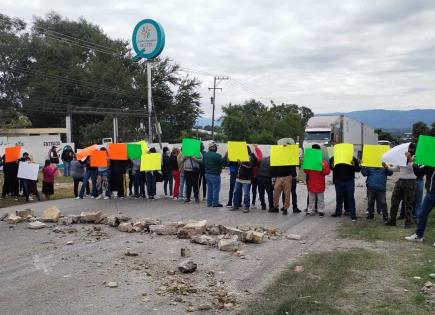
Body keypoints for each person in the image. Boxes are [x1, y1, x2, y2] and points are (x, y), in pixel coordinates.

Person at [385, 144, 418, 228]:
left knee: (408, 203)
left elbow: (414, 168)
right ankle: (392, 220)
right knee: (394, 201)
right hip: (400, 181)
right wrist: (387, 167)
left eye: (411, 148)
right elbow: (396, 168)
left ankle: (407, 223)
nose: (409, 150)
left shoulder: (416, 157)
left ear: (414, 149)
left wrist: (410, 158)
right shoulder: (402, 158)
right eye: (409, 148)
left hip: (410, 182)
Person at [405, 166, 435, 243]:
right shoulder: (430, 163)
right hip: (430, 194)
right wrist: (415, 166)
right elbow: (419, 173)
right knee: (422, 214)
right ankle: (419, 235)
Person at [330, 154, 361, 221]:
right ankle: (338, 212)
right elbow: (331, 167)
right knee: (339, 197)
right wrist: (332, 166)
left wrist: (353, 165)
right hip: (338, 180)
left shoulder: (352, 158)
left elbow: (358, 169)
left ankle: (353, 214)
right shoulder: (334, 157)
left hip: (349, 181)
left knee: (350, 197)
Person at [304, 144, 331, 216]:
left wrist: (323, 166)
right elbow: (306, 171)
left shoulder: (323, 161)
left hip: (319, 182)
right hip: (312, 182)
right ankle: (310, 210)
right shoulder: (309, 160)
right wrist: (305, 163)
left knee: (320, 198)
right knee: (311, 198)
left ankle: (321, 211)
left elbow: (327, 172)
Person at [270, 142, 296, 215]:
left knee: (287, 193)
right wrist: (274, 177)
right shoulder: (277, 155)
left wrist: (287, 147)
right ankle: (276, 207)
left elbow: (293, 155)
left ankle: (285, 208)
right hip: (278, 176)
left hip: (287, 176)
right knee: (276, 192)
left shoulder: (289, 155)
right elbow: (273, 166)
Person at [231, 146, 257, 213]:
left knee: (246, 194)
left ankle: (246, 207)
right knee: (236, 192)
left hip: (246, 179)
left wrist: (241, 164)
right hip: (239, 178)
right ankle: (235, 205)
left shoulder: (250, 157)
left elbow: (249, 166)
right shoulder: (241, 157)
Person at [203, 141, 226, 207]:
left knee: (210, 189)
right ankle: (215, 203)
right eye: (216, 147)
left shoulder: (205, 155)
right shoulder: (217, 155)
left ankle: (209, 203)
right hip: (215, 174)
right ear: (213, 147)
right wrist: (226, 154)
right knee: (216, 189)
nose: (216, 148)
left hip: (207, 174)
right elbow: (224, 162)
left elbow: (203, 163)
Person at [251, 144, 263, 209]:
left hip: (252, 177)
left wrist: (256, 148)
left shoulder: (251, 159)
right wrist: (256, 148)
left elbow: (259, 156)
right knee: (257, 190)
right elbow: (260, 156)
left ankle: (252, 202)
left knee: (253, 190)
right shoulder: (257, 160)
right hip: (255, 177)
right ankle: (256, 202)